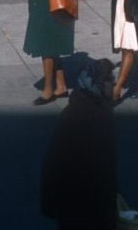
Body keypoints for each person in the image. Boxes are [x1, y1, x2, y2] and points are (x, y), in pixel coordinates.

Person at [40, 58, 118, 230]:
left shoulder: (75, 111)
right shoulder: (98, 115)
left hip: (74, 204)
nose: (113, 85)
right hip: (86, 202)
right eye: (109, 81)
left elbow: (52, 163)